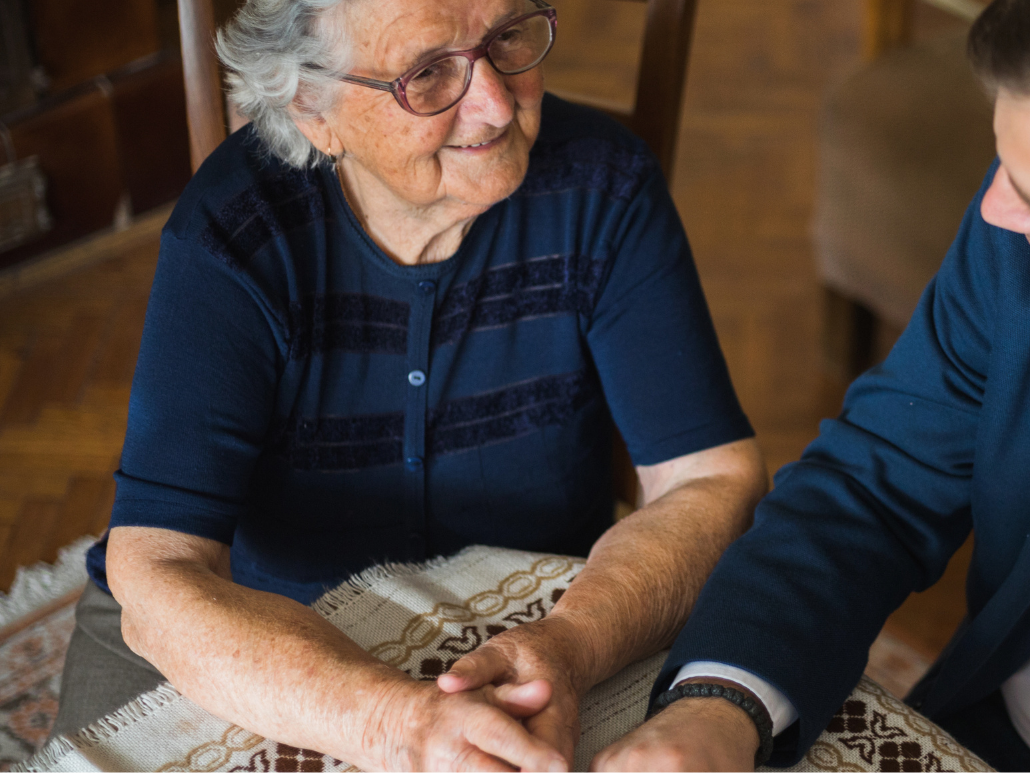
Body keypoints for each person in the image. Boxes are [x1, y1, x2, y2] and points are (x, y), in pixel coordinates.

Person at [50, 0, 768, 768]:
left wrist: (573, 640)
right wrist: (396, 723)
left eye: (507, 38)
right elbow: (156, 567)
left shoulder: (603, 188)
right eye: (427, 75)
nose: (494, 102)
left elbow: (713, 476)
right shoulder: (237, 231)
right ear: (311, 106)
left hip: (538, 619)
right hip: (267, 637)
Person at [591, 1, 1030, 770]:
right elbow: (877, 482)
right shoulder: (1010, 231)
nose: (994, 211)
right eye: (1009, 172)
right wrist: (719, 706)